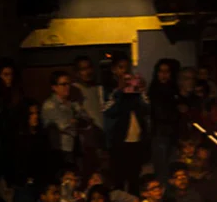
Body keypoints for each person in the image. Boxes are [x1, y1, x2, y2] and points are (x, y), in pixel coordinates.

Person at [102, 56, 149, 194]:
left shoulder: (134, 88)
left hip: (137, 140)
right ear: (114, 69)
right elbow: (108, 111)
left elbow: (146, 108)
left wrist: (142, 90)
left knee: (135, 178)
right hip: (118, 141)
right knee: (119, 179)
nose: (125, 71)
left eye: (127, 68)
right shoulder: (108, 88)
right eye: (121, 67)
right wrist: (119, 90)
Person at [42, 70, 91, 169]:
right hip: (61, 150)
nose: (67, 87)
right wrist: (76, 121)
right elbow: (64, 126)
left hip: (77, 148)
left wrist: (75, 121)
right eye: (63, 84)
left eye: (69, 84)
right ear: (54, 87)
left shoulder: (73, 103)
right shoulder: (50, 105)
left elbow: (87, 121)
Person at [148, 58, 182, 180]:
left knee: (172, 167)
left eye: (167, 71)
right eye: (161, 71)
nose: (164, 75)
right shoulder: (155, 90)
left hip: (172, 134)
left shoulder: (173, 90)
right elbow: (160, 114)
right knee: (162, 168)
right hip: (160, 134)